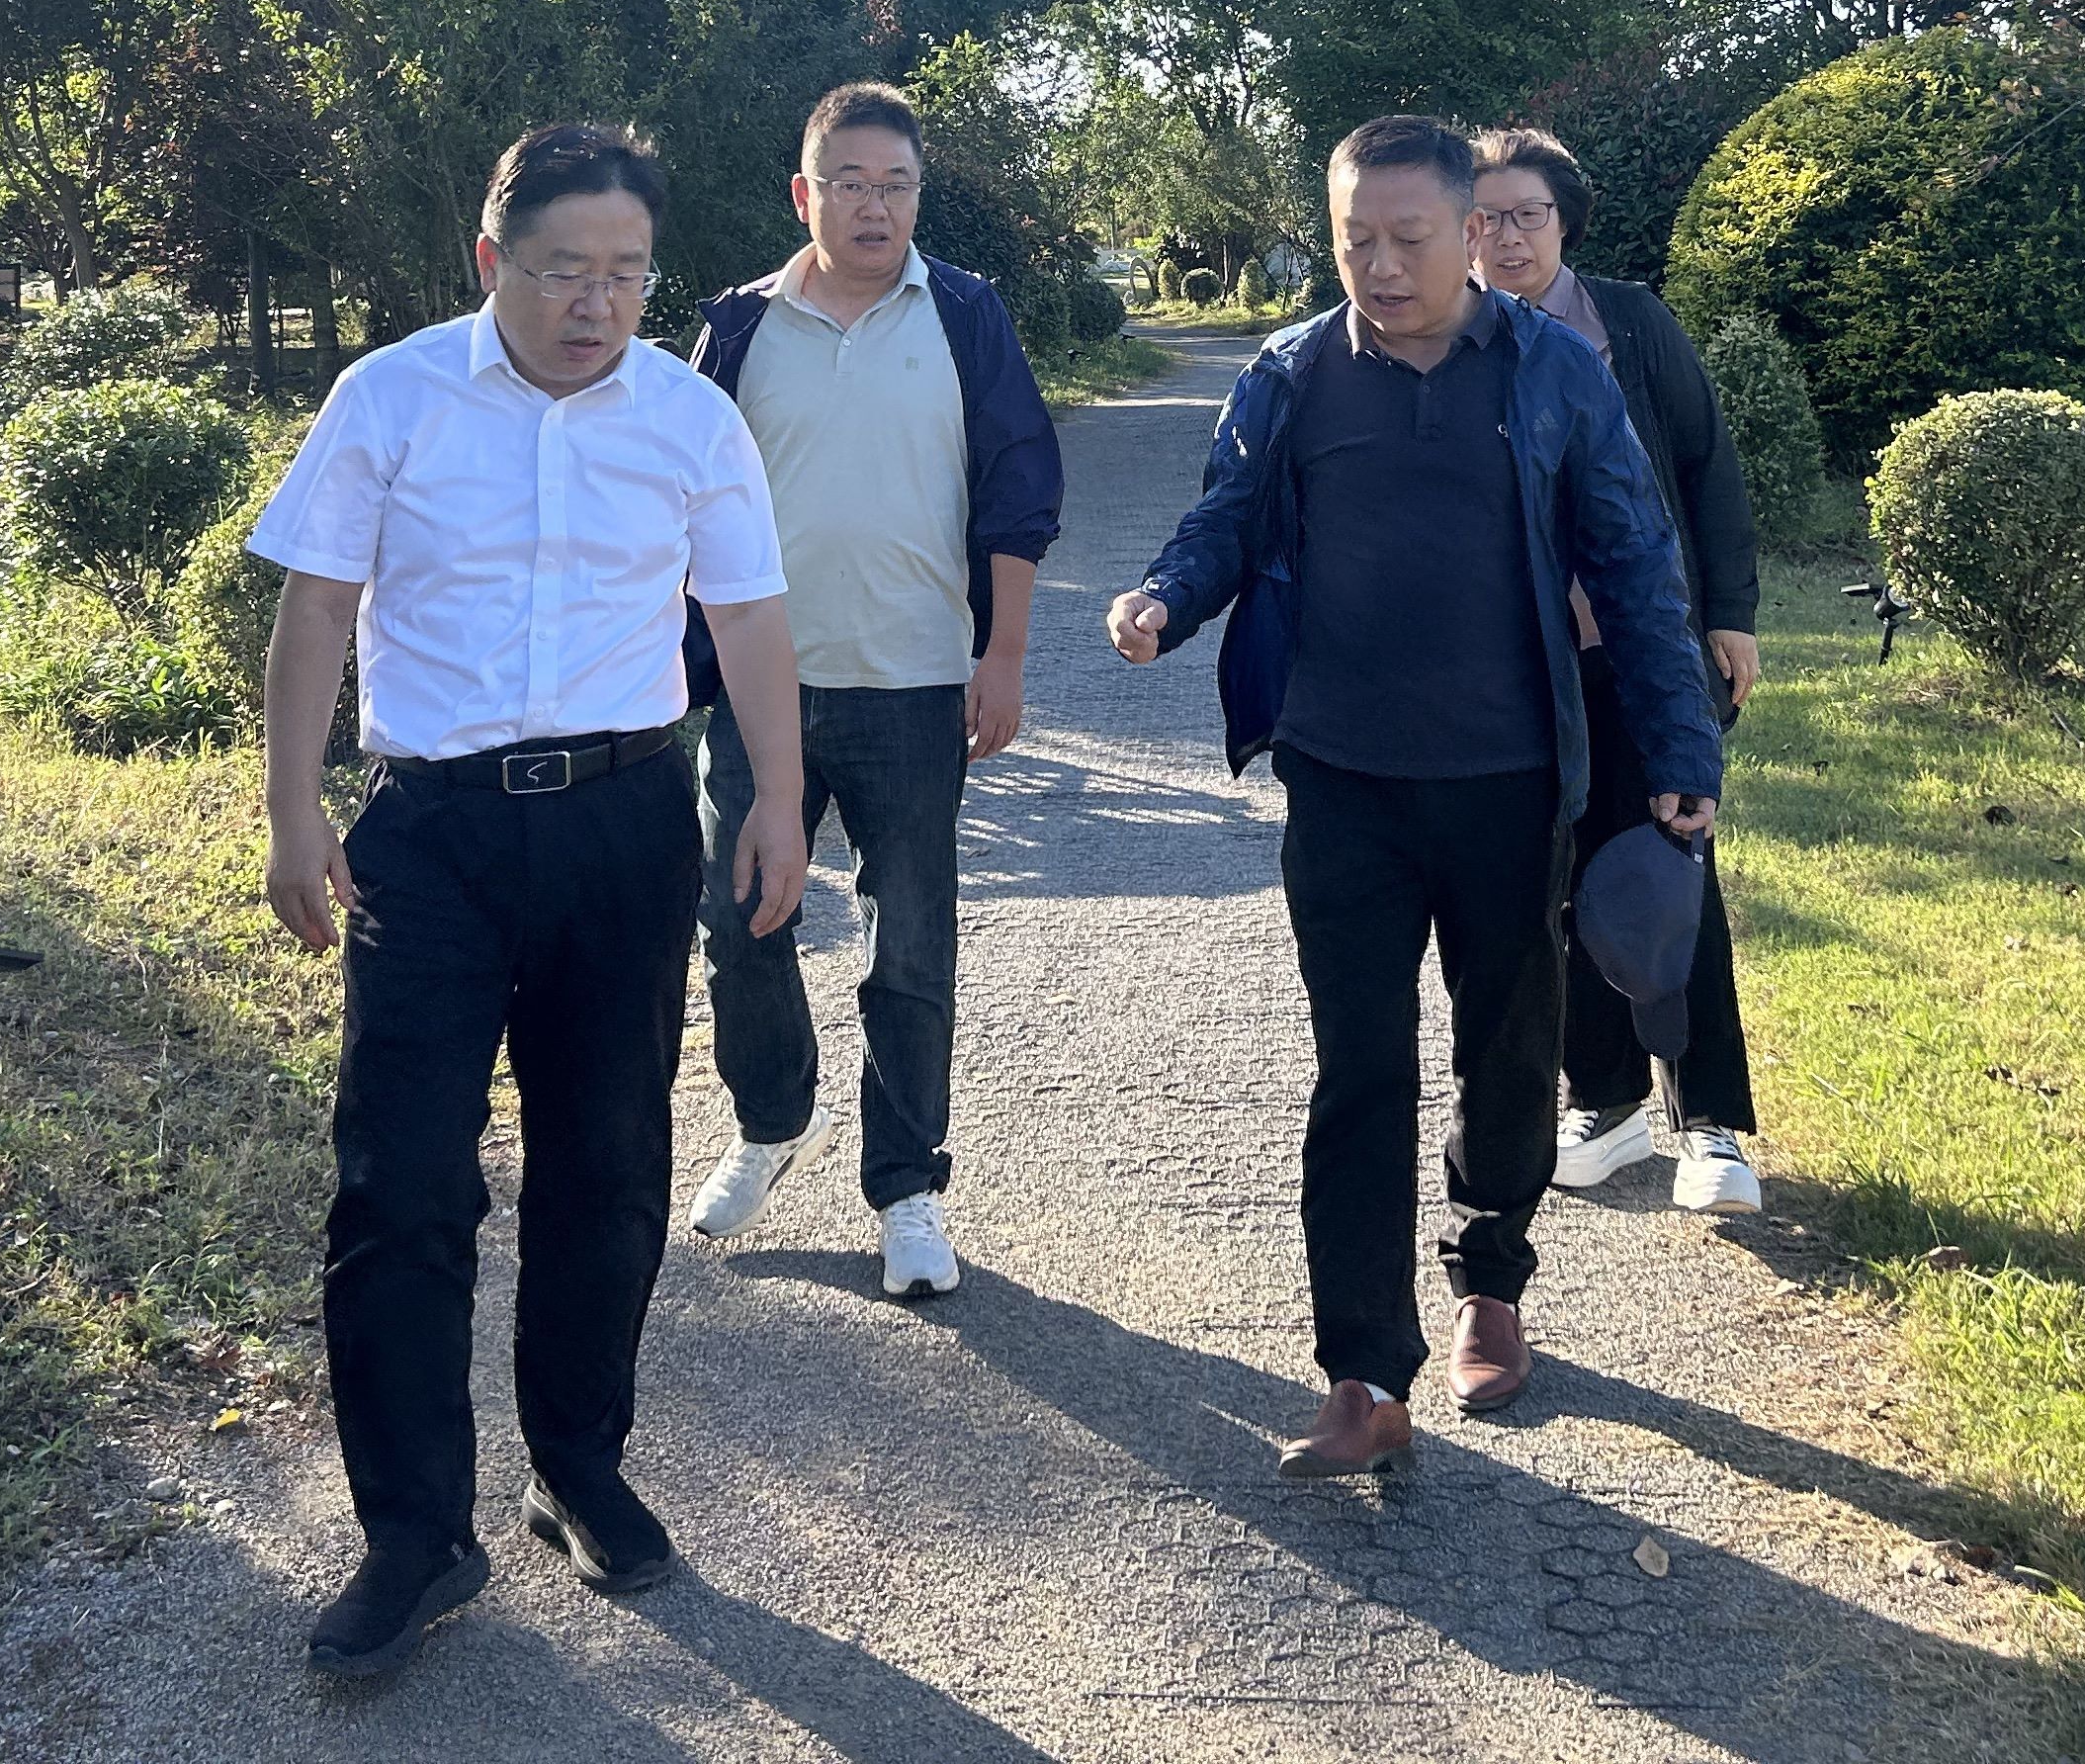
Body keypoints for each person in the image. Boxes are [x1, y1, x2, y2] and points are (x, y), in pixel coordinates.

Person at [249, 124, 813, 1682]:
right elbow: (317, 605)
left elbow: (748, 614)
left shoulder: (690, 416)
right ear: (493, 260)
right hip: (429, 835)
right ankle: (413, 1535)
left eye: (626, 274)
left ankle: (576, 1465)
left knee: (608, 1164)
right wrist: (291, 812)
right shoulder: (391, 397)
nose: (596, 303)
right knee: (400, 1180)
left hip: (626, 822)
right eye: (566, 271)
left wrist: (777, 799)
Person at [1103, 115, 1721, 1477]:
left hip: (1511, 784)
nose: (1380, 267)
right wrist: (1164, 597)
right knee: (1359, 1069)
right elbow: (1229, 517)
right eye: (1354, 242)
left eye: (1409, 239)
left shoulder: (1555, 371)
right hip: (1343, 783)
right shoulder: (1290, 375)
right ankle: (1364, 1373)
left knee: (1507, 1047)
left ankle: (1491, 1277)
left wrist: (1682, 750)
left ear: (1468, 232)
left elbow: (1635, 563)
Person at [674, 81, 1065, 1299]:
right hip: (760, 689)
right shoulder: (741, 326)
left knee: (911, 947)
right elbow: (677, 498)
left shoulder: (964, 313)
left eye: (897, 185)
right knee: (740, 920)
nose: (875, 206)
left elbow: (1018, 484)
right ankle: (771, 1119)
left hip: (912, 685)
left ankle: (906, 1186)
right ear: (807, 194)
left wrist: (1002, 656)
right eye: (851, 182)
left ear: (917, 197)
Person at [1468, 127, 1766, 1213]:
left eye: (1528, 215)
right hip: (1520, 668)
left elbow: (1707, 463)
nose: (1507, 238)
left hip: (1641, 654)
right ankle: (1605, 1100)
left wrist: (1728, 616)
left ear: (1564, 223)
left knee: (1670, 867)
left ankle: (1712, 1123)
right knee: (1559, 884)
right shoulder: (1448, 339)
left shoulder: (1628, 323)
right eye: (1486, 218)